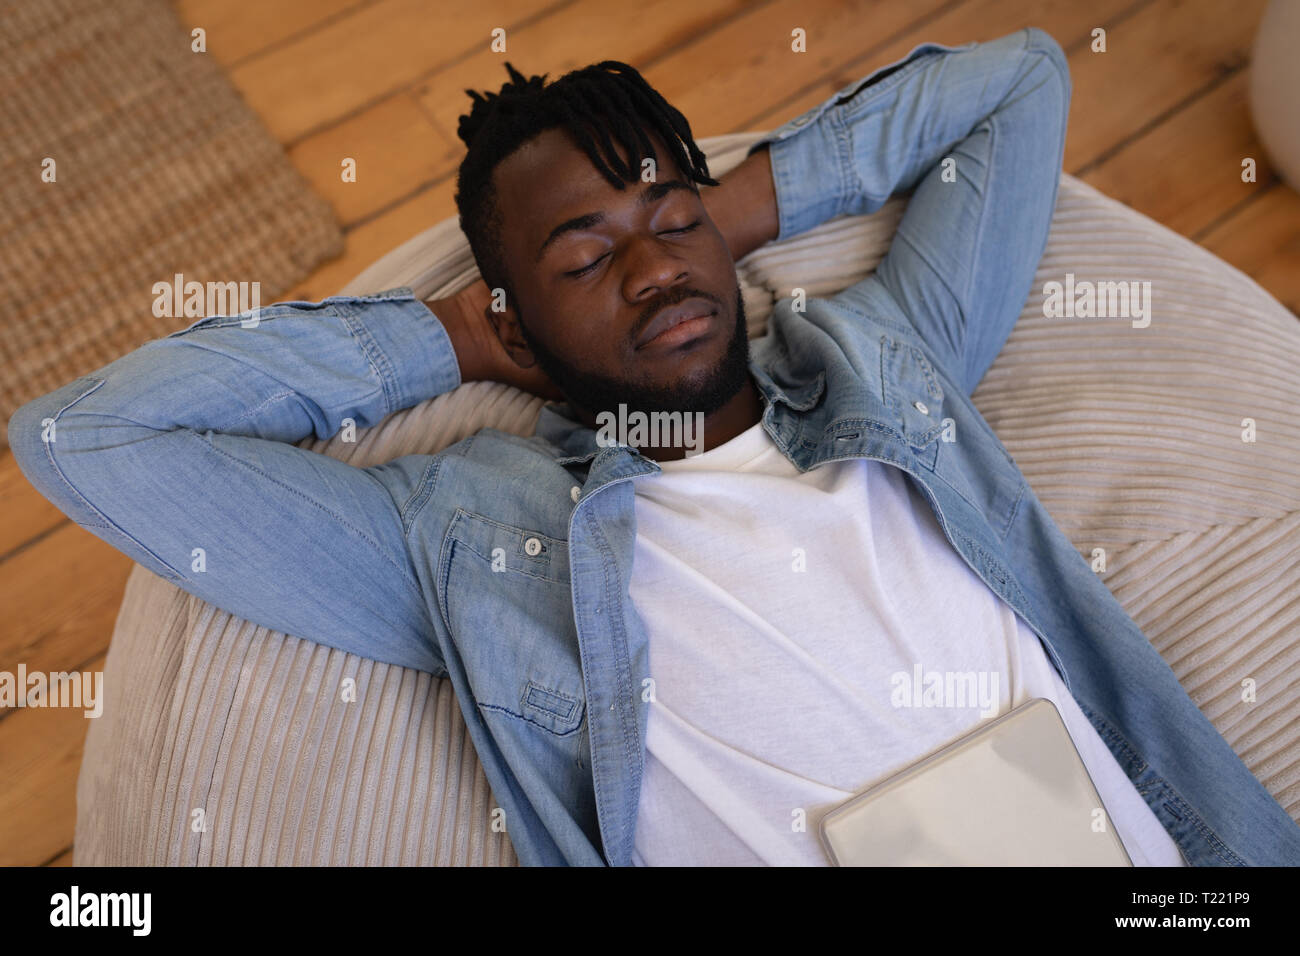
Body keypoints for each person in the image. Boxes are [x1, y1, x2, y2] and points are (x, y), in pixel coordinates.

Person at [10, 26, 1300, 866]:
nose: (649, 265)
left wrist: (735, 205)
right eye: (583, 255)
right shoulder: (475, 538)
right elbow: (81, 436)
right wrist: (441, 339)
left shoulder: (883, 360)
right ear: (515, 313)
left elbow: (1019, 84)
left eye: (667, 214)